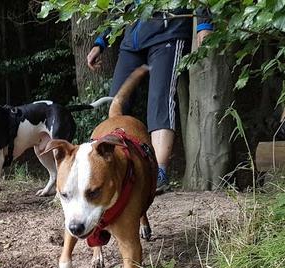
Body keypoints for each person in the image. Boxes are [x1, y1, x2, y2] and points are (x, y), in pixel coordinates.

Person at [86, 8, 213, 193]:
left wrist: (204, 23)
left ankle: (158, 173)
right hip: (132, 38)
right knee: (116, 102)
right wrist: (100, 43)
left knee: (160, 100)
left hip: (168, 31)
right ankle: (118, 168)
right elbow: (119, 8)